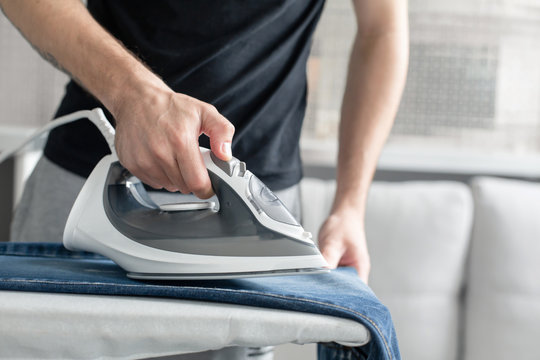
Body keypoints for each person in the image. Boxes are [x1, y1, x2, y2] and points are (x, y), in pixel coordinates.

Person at [1, 1, 408, 359]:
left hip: (259, 185)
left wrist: (350, 206)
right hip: (85, 179)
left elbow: (383, 29)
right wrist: (135, 94)